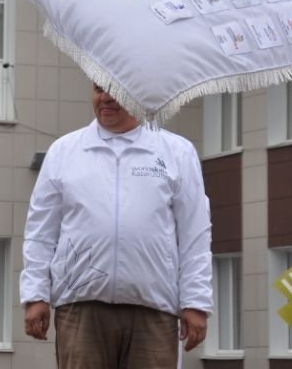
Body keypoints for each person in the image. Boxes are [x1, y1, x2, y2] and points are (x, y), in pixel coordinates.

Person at [20, 83, 212, 369]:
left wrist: (196, 302)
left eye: (117, 90)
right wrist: (35, 295)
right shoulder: (64, 151)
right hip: (80, 305)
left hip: (154, 308)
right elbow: (40, 233)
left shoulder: (177, 152)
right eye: (99, 89)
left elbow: (195, 234)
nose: (106, 97)